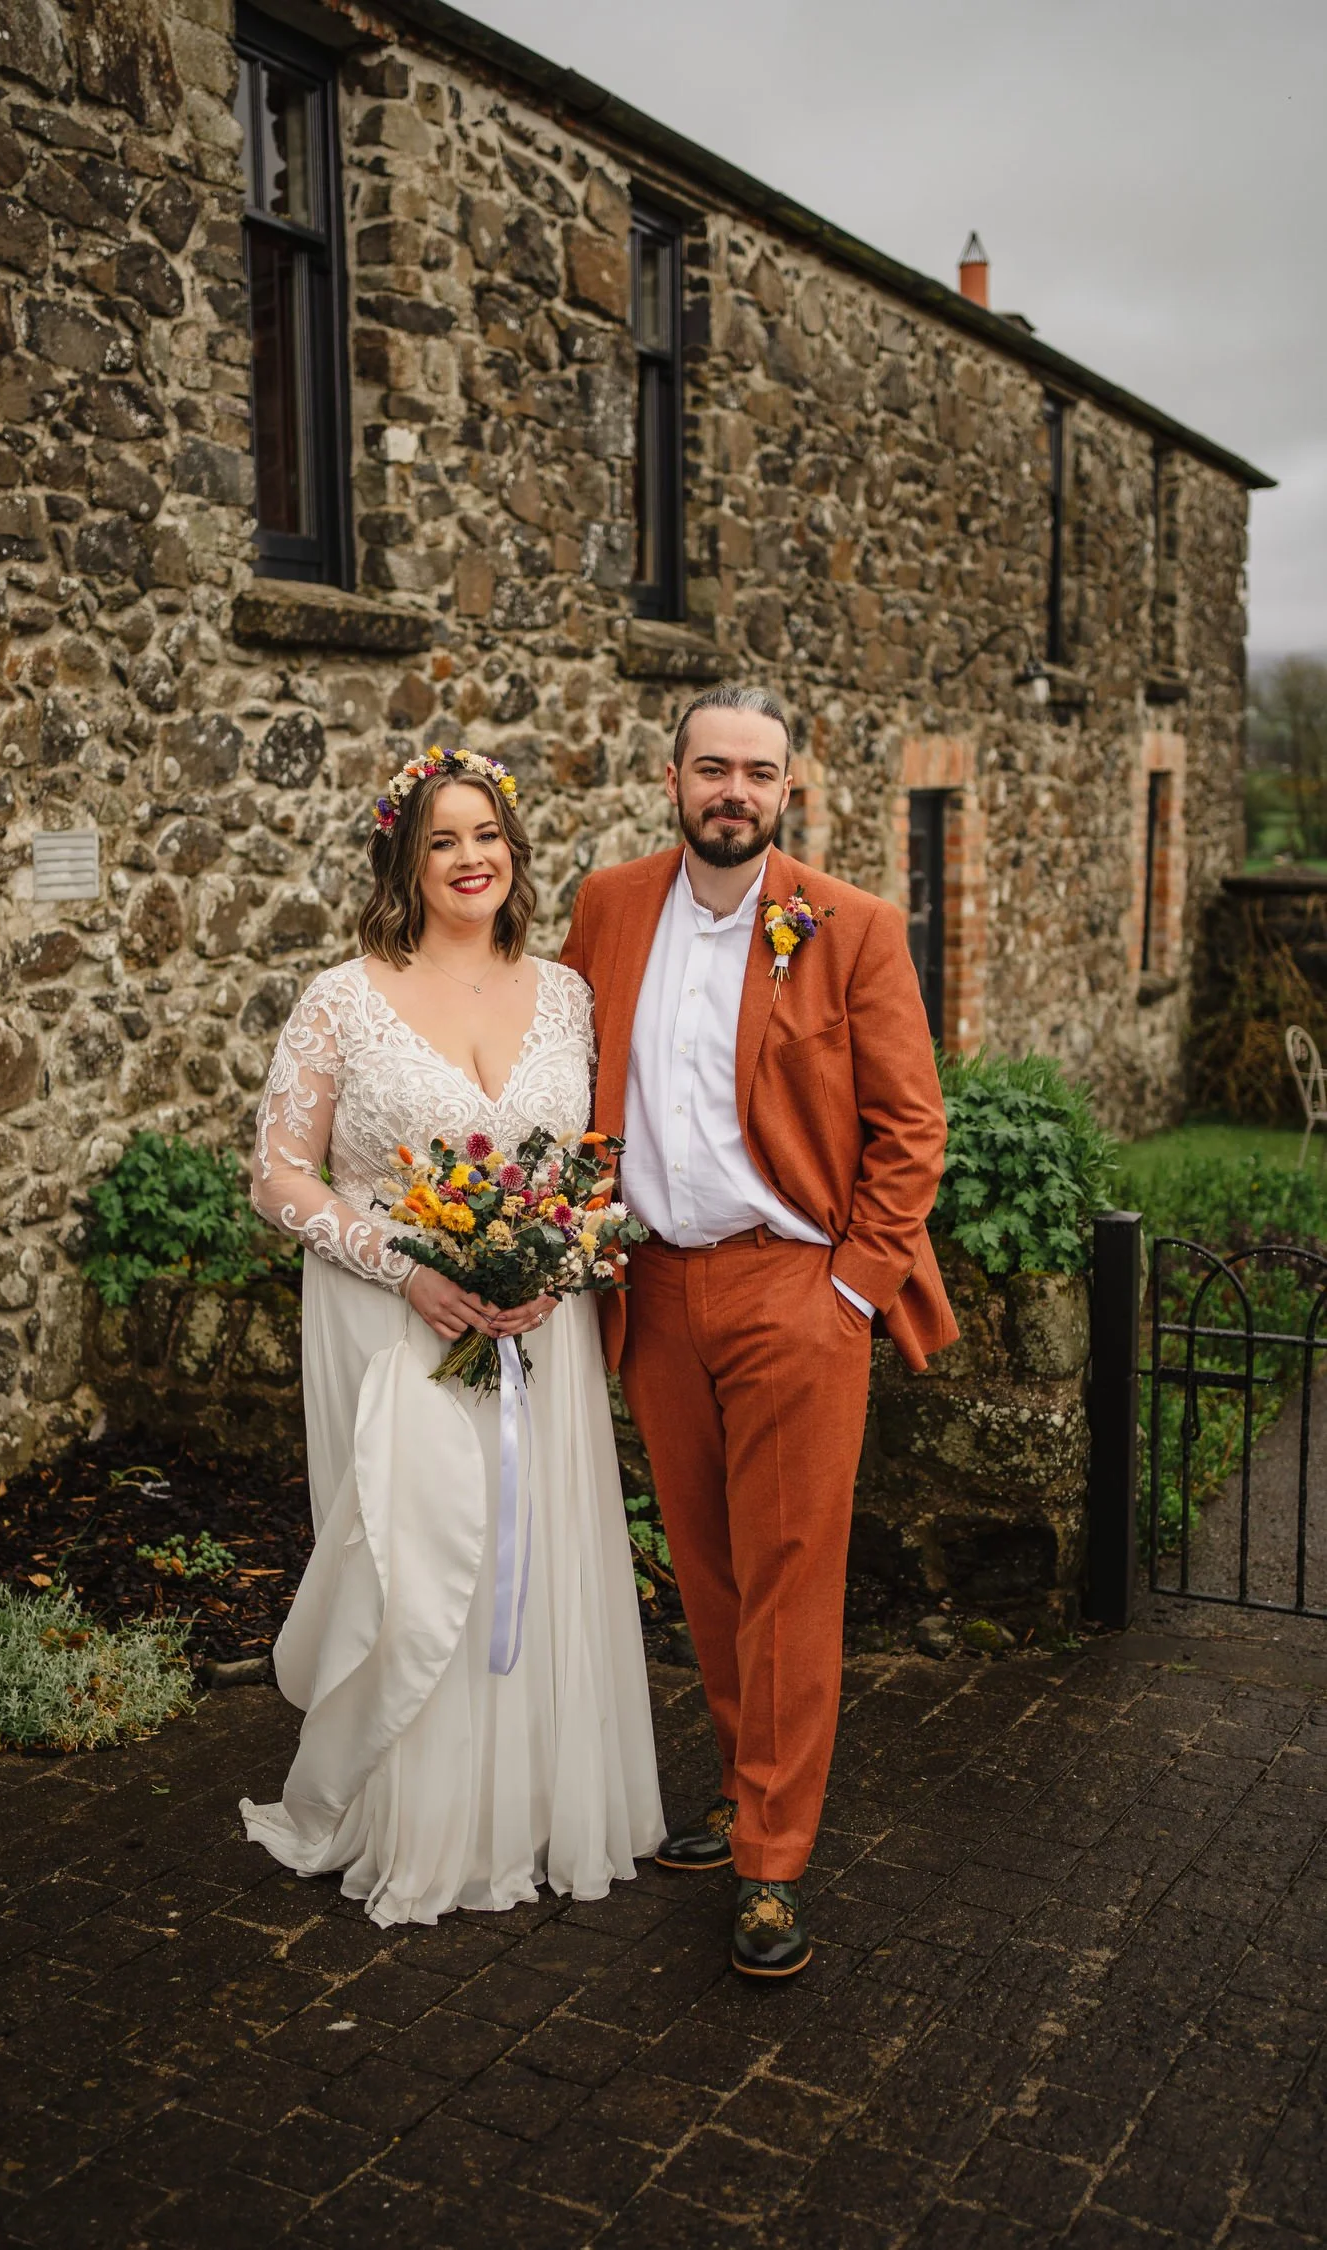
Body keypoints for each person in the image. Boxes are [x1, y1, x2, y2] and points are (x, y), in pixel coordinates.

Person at [561, 684, 957, 1979]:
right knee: (712, 1569)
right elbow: (573, 1083)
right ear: (669, 776)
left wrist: (851, 1285)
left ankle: (774, 1860)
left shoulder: (851, 926)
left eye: (760, 772)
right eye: (713, 767)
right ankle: (744, 1792)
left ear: (791, 789)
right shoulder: (610, 906)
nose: (735, 790)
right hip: (658, 1288)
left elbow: (913, 1129)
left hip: (796, 1286)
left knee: (791, 1576)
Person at [241, 747, 664, 1926]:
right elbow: (278, 1175)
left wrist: (563, 1260)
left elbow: (591, 1166)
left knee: (536, 1554)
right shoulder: (343, 997)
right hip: (396, 1328)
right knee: (419, 1562)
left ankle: (531, 1806)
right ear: (405, 858)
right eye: (443, 840)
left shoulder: (568, 993)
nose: (471, 858)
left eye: (488, 835)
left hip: (540, 1334)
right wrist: (407, 1265)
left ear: (514, 852)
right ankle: (412, 1817)